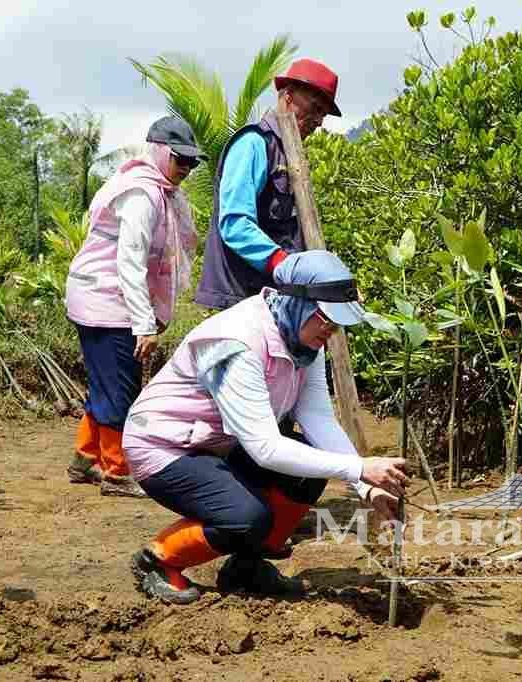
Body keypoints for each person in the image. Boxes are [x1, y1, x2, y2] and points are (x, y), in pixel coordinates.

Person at [126, 250, 407, 604]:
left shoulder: (303, 341)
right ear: (296, 302)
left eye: (337, 323)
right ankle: (160, 561)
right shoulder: (238, 342)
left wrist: (366, 487)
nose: (331, 330)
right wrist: (361, 467)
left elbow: (318, 418)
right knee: (246, 517)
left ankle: (246, 566)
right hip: (164, 447)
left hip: (219, 442)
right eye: (325, 318)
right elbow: (265, 448)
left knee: (306, 472)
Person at [64, 116, 204, 498]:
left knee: (106, 382)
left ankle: (85, 458)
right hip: (106, 300)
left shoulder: (161, 192)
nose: (187, 170)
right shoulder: (141, 194)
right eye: (181, 160)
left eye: (193, 163)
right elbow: (131, 261)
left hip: (103, 298)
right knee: (121, 388)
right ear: (159, 152)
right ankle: (117, 471)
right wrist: (143, 324)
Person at [194, 58, 341, 312]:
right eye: (315, 108)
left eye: (323, 115)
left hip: (274, 300)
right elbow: (235, 224)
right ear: (287, 97)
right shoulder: (253, 144)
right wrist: (282, 264)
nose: (319, 121)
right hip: (242, 301)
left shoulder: (291, 155)